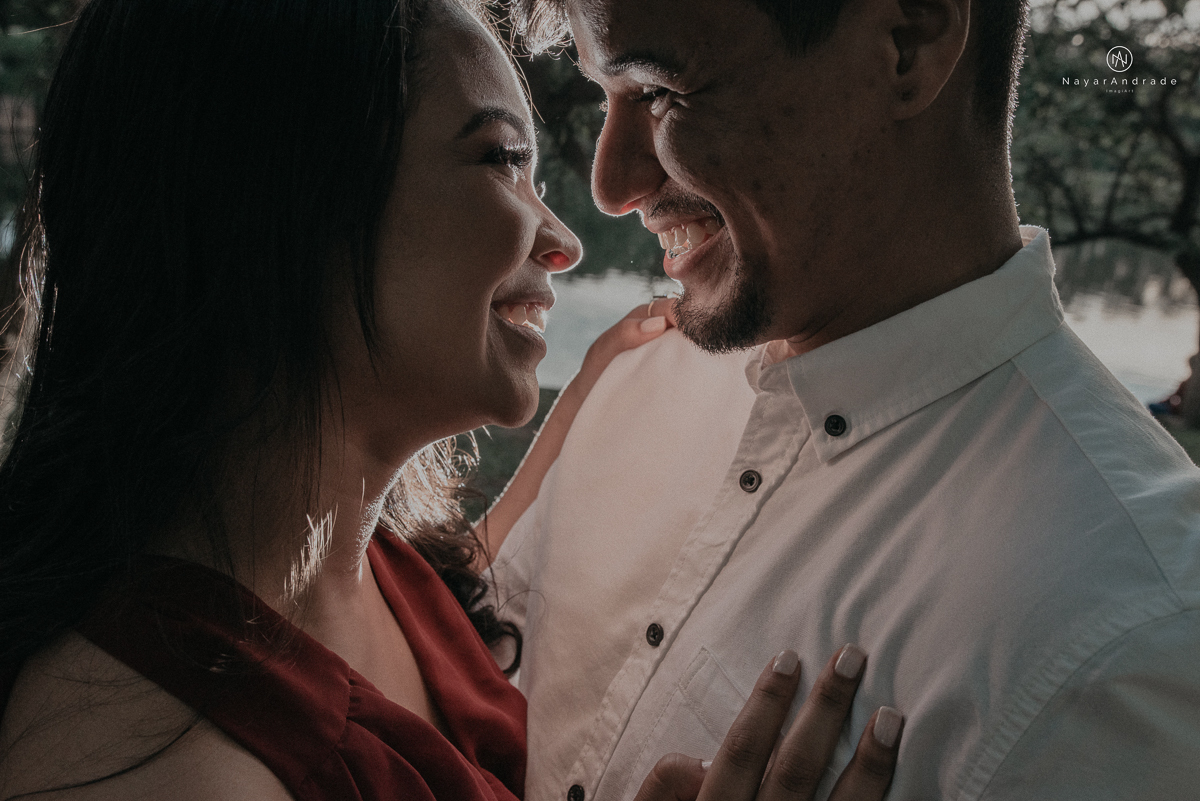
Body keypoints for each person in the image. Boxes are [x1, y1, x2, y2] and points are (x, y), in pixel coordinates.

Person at [0, 0, 903, 799]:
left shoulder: (367, 567)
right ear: (278, 198)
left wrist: (581, 402)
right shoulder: (144, 761)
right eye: (502, 160)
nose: (561, 240)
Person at [483, 0, 1200, 799]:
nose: (613, 185)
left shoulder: (1130, 638)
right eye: (603, 94)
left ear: (910, 39)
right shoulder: (637, 376)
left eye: (658, 90)